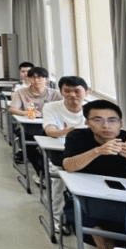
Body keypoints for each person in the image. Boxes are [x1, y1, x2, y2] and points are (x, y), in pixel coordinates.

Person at [62, 100, 126, 249]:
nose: (106, 126)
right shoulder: (78, 137)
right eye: (97, 120)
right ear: (87, 123)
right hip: (86, 201)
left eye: (112, 120)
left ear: (120, 123)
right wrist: (98, 151)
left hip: (124, 201)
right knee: (102, 236)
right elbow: (68, 165)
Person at [42, 76, 89, 234]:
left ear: (86, 92)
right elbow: (49, 131)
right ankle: (58, 219)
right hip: (60, 152)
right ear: (61, 92)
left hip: (86, 154)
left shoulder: (91, 110)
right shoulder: (51, 107)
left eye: (77, 91)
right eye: (67, 91)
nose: (72, 95)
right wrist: (67, 132)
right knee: (60, 180)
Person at [9, 66, 63, 177]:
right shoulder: (21, 92)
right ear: (29, 79)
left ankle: (51, 169)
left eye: (40, 77)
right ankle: (42, 172)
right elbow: (12, 109)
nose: (36, 80)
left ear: (46, 79)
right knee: (27, 143)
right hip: (29, 128)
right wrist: (26, 113)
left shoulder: (55, 94)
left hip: (51, 127)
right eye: (33, 78)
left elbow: (65, 108)